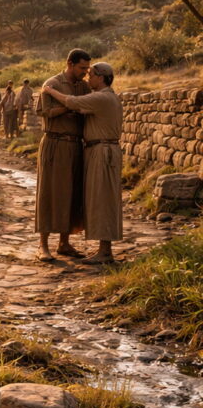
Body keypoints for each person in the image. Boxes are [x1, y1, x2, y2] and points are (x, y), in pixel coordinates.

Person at [42, 62, 122, 264]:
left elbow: (71, 101)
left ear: (101, 77)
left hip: (102, 151)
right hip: (98, 150)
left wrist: (50, 91)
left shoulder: (102, 97)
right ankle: (103, 249)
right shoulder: (104, 97)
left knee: (103, 199)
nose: (88, 78)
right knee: (98, 198)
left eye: (91, 74)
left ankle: (105, 251)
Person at [35, 49, 91, 261]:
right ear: (70, 63)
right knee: (50, 192)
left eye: (87, 69)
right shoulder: (52, 84)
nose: (85, 73)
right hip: (55, 142)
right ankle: (43, 245)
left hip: (76, 145)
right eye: (81, 68)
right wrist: (68, 106)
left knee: (71, 193)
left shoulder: (84, 86)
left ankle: (64, 243)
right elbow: (44, 111)